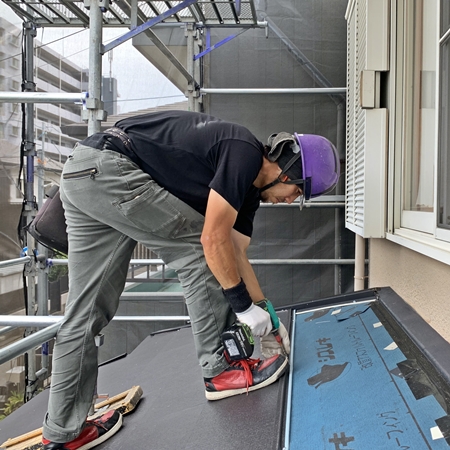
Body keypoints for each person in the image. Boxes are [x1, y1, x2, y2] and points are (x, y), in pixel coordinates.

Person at [42, 110, 340, 449]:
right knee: (202, 250)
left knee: (85, 311)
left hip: (85, 171)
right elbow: (213, 242)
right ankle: (220, 370)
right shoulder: (243, 153)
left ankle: (64, 432)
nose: (291, 200)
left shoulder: (247, 191)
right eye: (297, 191)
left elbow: (236, 253)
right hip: (111, 168)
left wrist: (267, 315)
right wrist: (243, 308)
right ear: (285, 172)